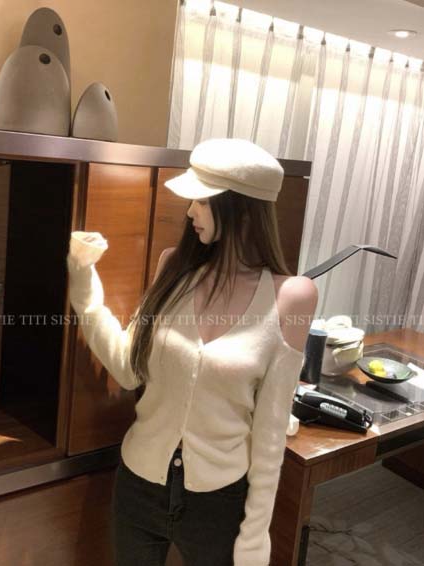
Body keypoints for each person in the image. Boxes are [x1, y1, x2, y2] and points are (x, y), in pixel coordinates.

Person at [66, 137, 318, 566]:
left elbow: (270, 432)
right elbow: (128, 367)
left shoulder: (291, 297)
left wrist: (255, 536)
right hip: (138, 487)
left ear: (240, 207)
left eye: (201, 201)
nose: (189, 212)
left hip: (219, 503)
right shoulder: (174, 269)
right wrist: (84, 277)